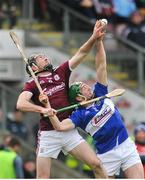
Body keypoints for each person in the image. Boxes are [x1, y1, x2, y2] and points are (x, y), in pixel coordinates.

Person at [17, 20, 108, 178]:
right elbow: (21, 103)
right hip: (48, 134)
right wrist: (43, 109)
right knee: (42, 177)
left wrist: (93, 38)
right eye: (40, 57)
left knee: (97, 164)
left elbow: (81, 53)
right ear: (33, 67)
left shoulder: (60, 73)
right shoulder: (32, 84)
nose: (45, 57)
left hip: (68, 129)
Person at [45, 34, 144, 178]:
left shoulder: (100, 93)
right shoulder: (79, 115)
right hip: (107, 154)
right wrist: (51, 114)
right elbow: (60, 127)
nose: (88, 87)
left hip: (126, 145)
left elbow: (101, 65)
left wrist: (99, 42)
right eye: (83, 87)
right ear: (79, 97)